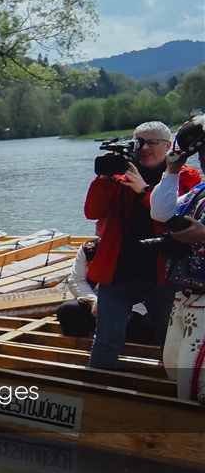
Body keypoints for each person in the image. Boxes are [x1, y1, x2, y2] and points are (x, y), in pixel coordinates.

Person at [84, 121, 202, 369]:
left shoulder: (186, 177)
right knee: (106, 340)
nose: (144, 149)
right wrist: (105, 177)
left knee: (172, 341)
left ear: (168, 146)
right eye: (139, 143)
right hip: (118, 274)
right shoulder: (119, 178)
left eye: (151, 142)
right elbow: (92, 212)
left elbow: (178, 221)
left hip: (165, 276)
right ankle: (96, 394)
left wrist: (143, 190)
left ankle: (175, 396)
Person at [149, 115, 205, 400]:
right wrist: (172, 170)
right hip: (186, 297)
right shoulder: (199, 192)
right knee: (178, 369)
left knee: (197, 382)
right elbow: (160, 211)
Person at [56, 238, 155, 343]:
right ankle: (82, 349)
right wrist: (93, 301)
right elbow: (77, 281)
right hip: (101, 309)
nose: (98, 224)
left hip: (138, 311)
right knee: (68, 311)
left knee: (158, 326)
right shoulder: (90, 248)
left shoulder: (147, 247)